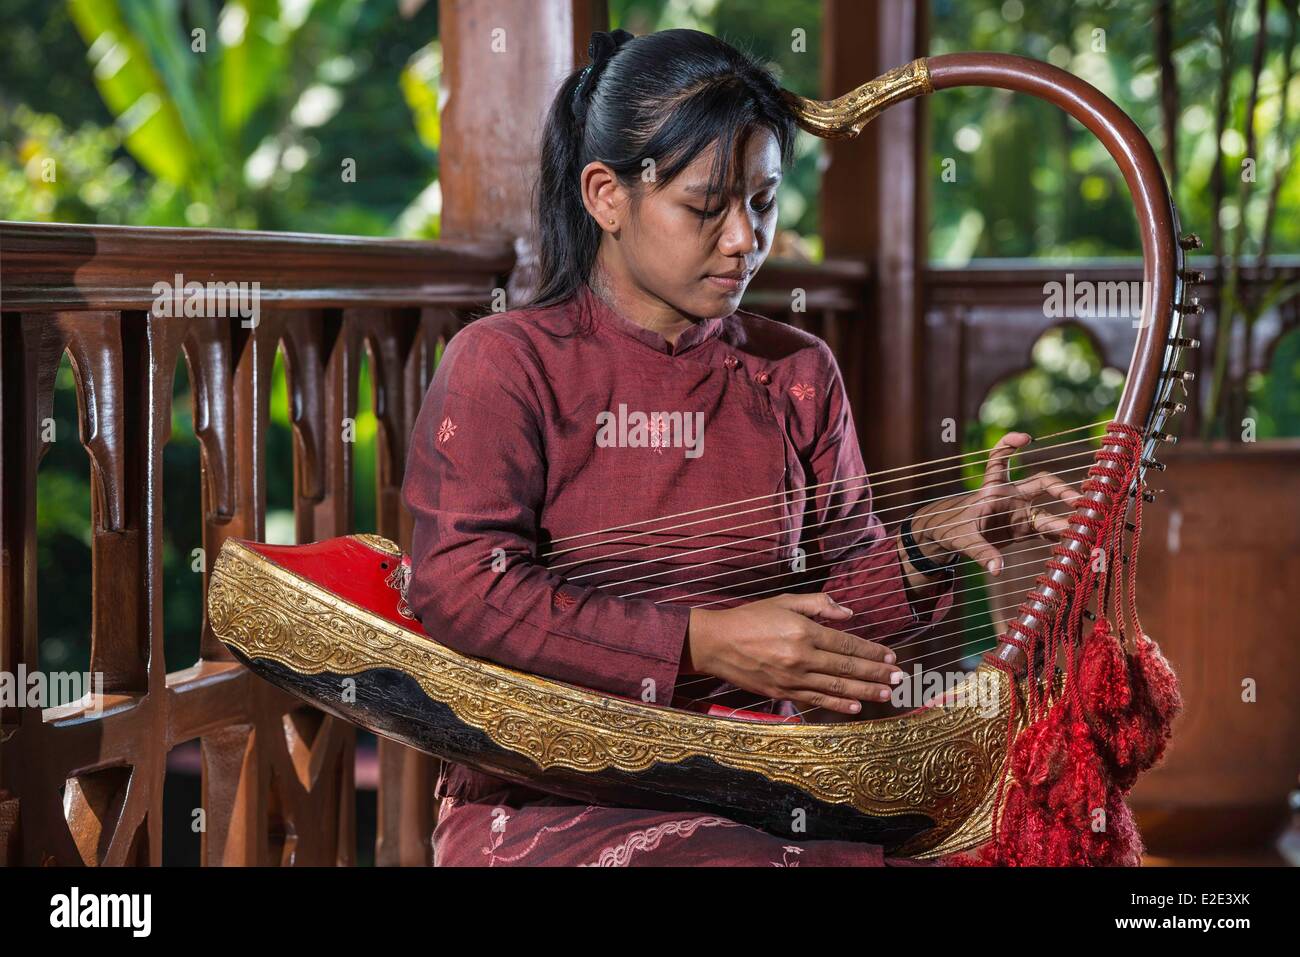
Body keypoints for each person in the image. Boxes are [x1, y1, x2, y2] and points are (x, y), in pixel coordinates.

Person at [400, 28, 1078, 866]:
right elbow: (462, 588)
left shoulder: (795, 372)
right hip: (559, 794)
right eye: (705, 205)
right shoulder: (507, 363)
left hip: (767, 779)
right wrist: (700, 641)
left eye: (761, 202)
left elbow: (839, 627)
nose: (742, 240)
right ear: (606, 195)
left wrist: (924, 545)